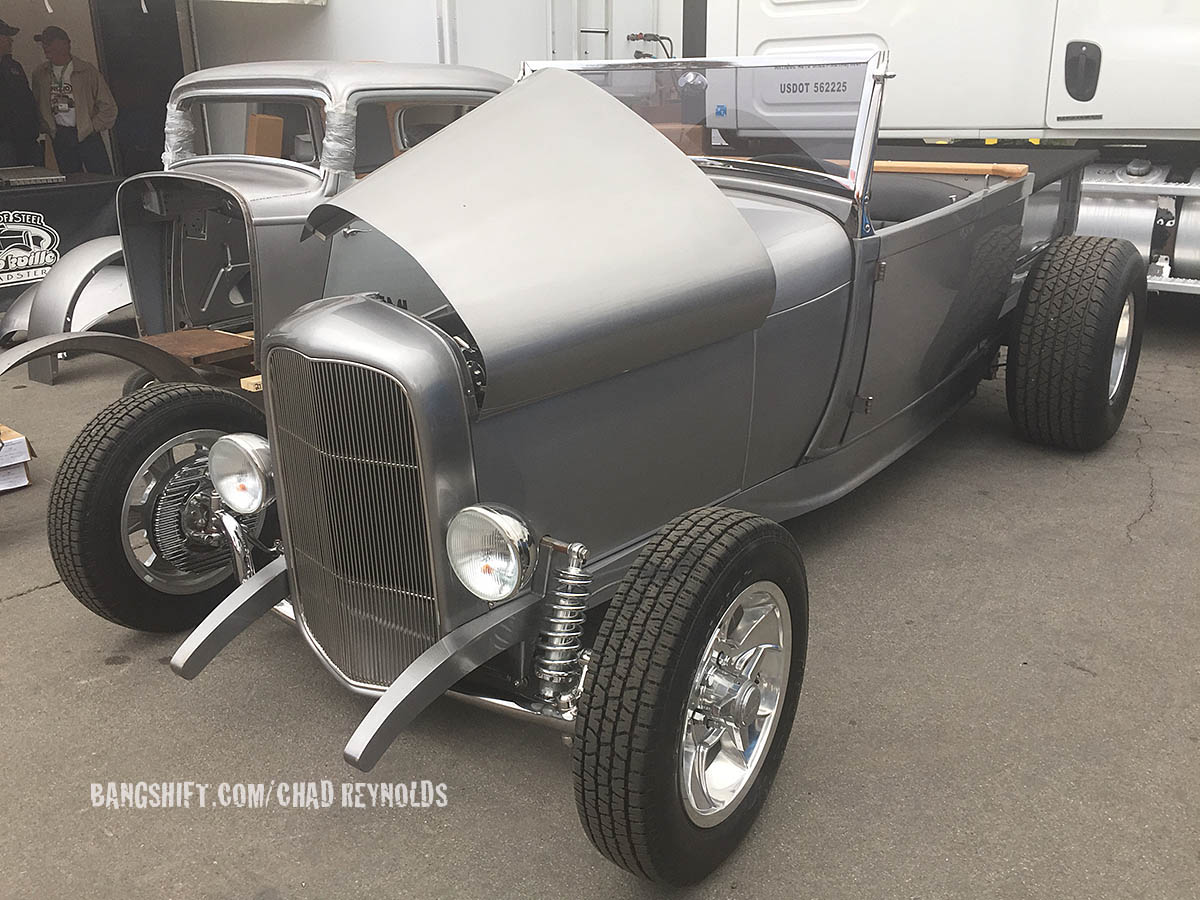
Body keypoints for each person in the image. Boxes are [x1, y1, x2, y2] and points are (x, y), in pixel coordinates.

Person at [31, 25, 117, 175]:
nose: (45, 46)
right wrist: (49, 129)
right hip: (60, 135)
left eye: (50, 42)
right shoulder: (40, 74)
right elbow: (37, 105)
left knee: (101, 178)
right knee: (70, 180)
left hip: (87, 134)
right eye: (43, 42)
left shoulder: (86, 70)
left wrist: (91, 127)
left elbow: (108, 107)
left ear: (65, 44)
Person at [0, 19, 40, 167]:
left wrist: (34, 128)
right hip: (3, 142)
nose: (11, 41)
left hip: (26, 138)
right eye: (6, 36)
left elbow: (28, 100)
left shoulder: (14, 66)